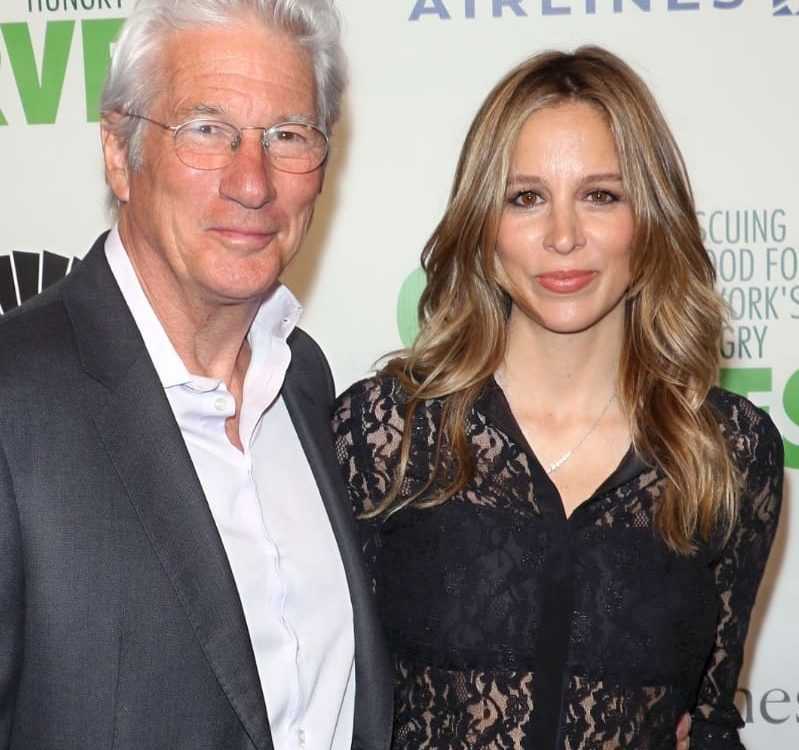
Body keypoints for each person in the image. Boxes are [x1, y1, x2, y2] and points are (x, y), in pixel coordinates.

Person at [333, 47, 783, 749]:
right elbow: (325, 702)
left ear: (651, 219)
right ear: (483, 225)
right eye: (526, 198)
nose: (563, 237)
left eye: (601, 196)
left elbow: (711, 721)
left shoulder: (727, 451)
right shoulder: (387, 431)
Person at [0, 1, 392, 748]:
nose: (252, 182)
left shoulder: (303, 380)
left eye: (287, 135)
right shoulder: (14, 403)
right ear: (120, 154)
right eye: (207, 130)